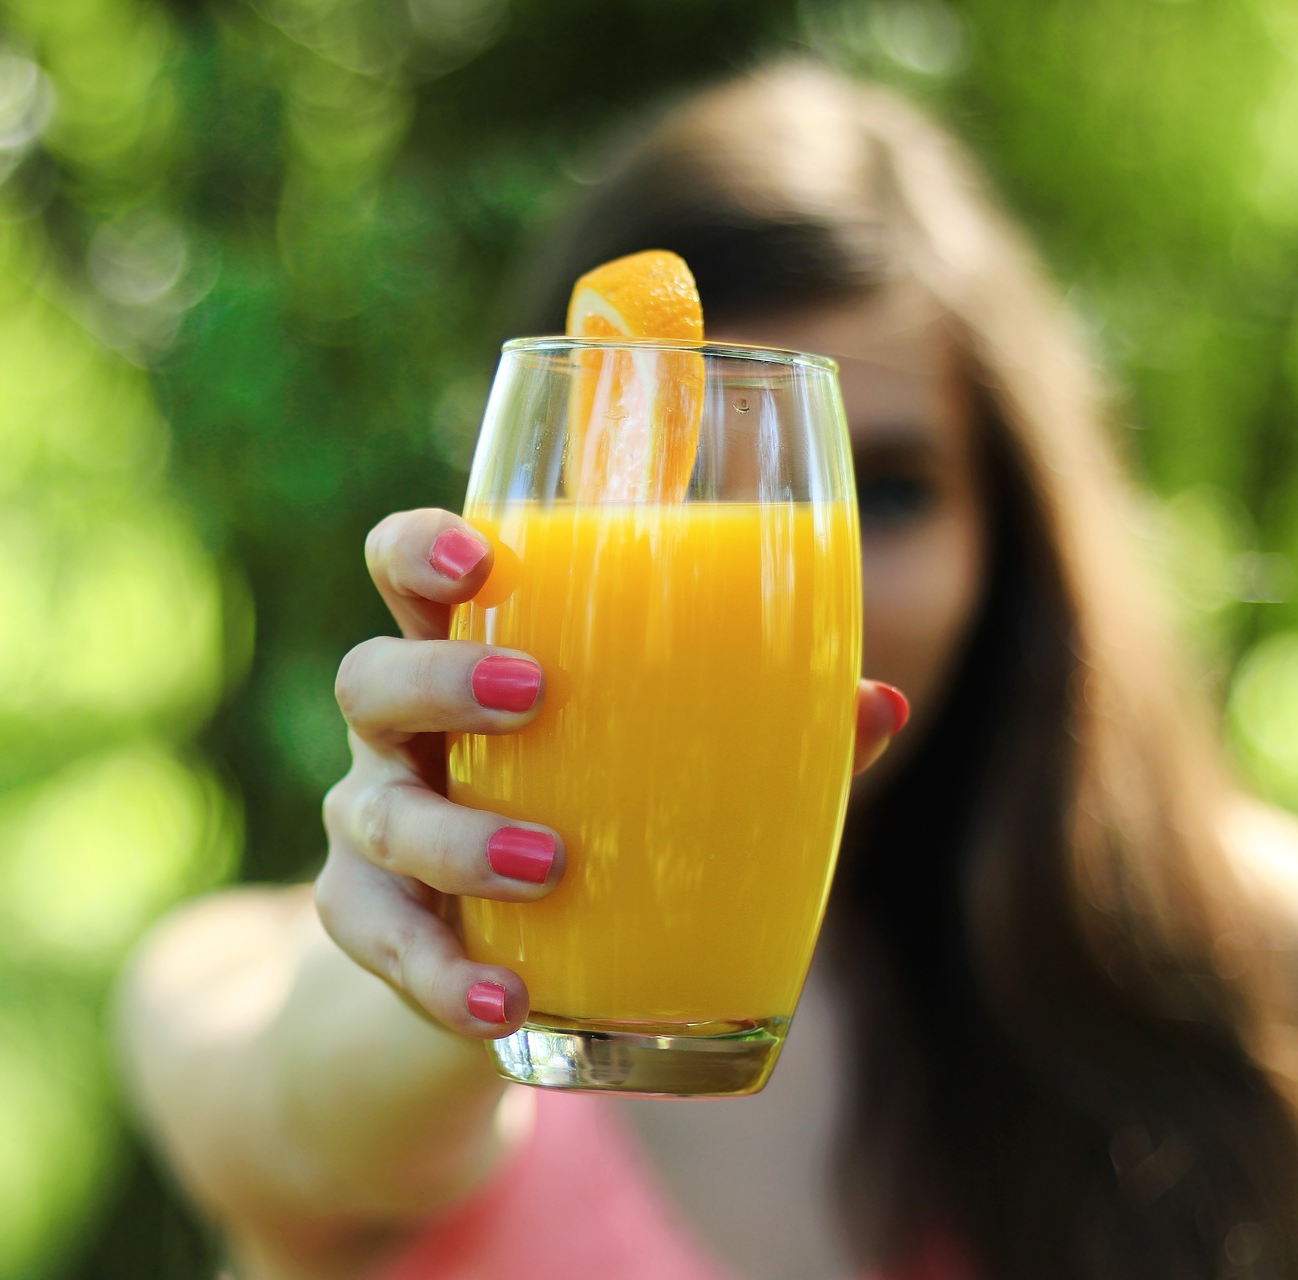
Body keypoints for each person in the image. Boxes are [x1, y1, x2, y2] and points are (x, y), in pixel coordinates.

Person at [115, 61, 1298, 1280]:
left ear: (1009, 538)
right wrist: (447, 972)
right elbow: (297, 1127)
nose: (774, 573)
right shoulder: (230, 975)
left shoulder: (1248, 948)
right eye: (671, 477)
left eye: (881, 489)